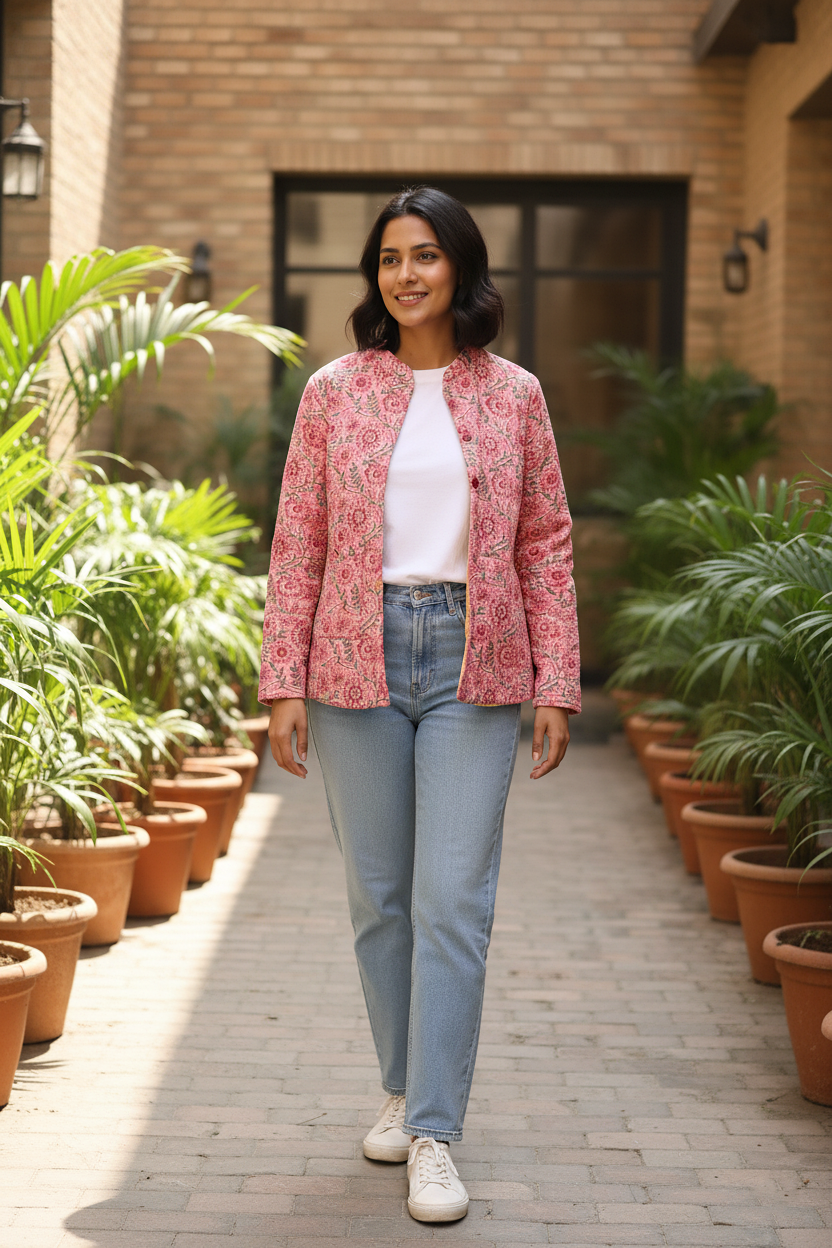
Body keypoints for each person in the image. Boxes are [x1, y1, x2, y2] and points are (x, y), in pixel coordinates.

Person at [259, 186, 580, 1223]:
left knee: (452, 900)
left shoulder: (515, 395)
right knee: (380, 899)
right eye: (391, 258)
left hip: (475, 663)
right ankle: (401, 1090)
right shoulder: (335, 391)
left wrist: (556, 682)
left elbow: (546, 542)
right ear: (376, 276)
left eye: (426, 255)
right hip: (354, 660)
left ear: (461, 268)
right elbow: (299, 539)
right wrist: (282, 681)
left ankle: (435, 1131)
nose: (407, 274)